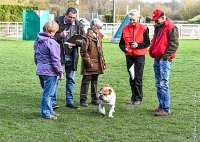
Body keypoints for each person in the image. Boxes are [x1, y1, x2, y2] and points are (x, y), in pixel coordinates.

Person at [149, 9, 179, 116]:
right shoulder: (159, 27)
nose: (155, 22)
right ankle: (161, 106)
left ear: (163, 18)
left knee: (163, 84)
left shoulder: (171, 28)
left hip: (164, 60)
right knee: (158, 84)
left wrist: (165, 57)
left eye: (156, 20)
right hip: (157, 58)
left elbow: (174, 45)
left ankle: (166, 109)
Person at [54, 7, 85, 109]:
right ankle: (53, 101)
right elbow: (50, 36)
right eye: (70, 17)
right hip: (59, 55)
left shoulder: (78, 25)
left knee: (71, 79)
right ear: (65, 14)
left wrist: (80, 42)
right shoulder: (57, 21)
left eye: (74, 18)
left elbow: (84, 39)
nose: (72, 19)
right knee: (56, 79)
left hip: (72, 56)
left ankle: (69, 101)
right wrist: (60, 35)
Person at [34, 20, 64, 120]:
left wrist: (38, 66)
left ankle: (50, 110)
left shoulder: (37, 41)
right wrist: (60, 72)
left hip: (40, 70)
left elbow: (36, 56)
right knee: (48, 94)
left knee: (48, 93)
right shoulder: (52, 42)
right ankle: (45, 113)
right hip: (50, 72)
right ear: (53, 31)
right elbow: (56, 59)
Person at [119, 9, 150, 105]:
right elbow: (121, 44)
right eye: (130, 20)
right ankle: (133, 97)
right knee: (132, 77)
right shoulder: (124, 29)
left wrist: (138, 45)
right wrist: (125, 49)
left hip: (139, 56)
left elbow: (147, 43)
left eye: (134, 20)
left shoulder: (144, 28)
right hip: (129, 57)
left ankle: (138, 98)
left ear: (138, 18)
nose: (132, 21)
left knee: (138, 78)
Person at [79, 18, 106, 107]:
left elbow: (100, 50)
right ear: (93, 27)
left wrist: (102, 62)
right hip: (89, 63)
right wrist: (89, 62)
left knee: (95, 81)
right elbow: (83, 51)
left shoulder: (99, 36)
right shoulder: (86, 37)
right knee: (86, 82)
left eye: (100, 27)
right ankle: (83, 100)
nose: (100, 29)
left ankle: (95, 99)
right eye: (98, 27)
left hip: (97, 63)